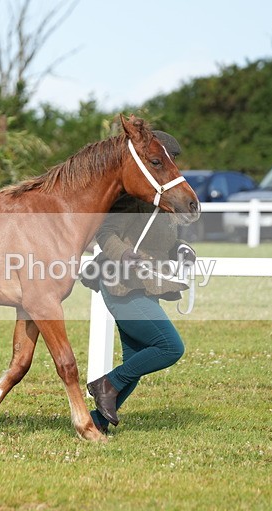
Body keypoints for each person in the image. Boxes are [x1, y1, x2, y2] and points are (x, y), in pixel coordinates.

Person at [84, 130, 197, 434]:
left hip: (147, 287)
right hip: (121, 284)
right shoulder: (132, 199)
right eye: (165, 162)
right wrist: (125, 255)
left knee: (134, 363)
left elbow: (166, 242)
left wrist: (182, 250)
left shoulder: (164, 202)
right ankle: (105, 384)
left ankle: (95, 424)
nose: (171, 168)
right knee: (170, 346)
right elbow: (105, 235)